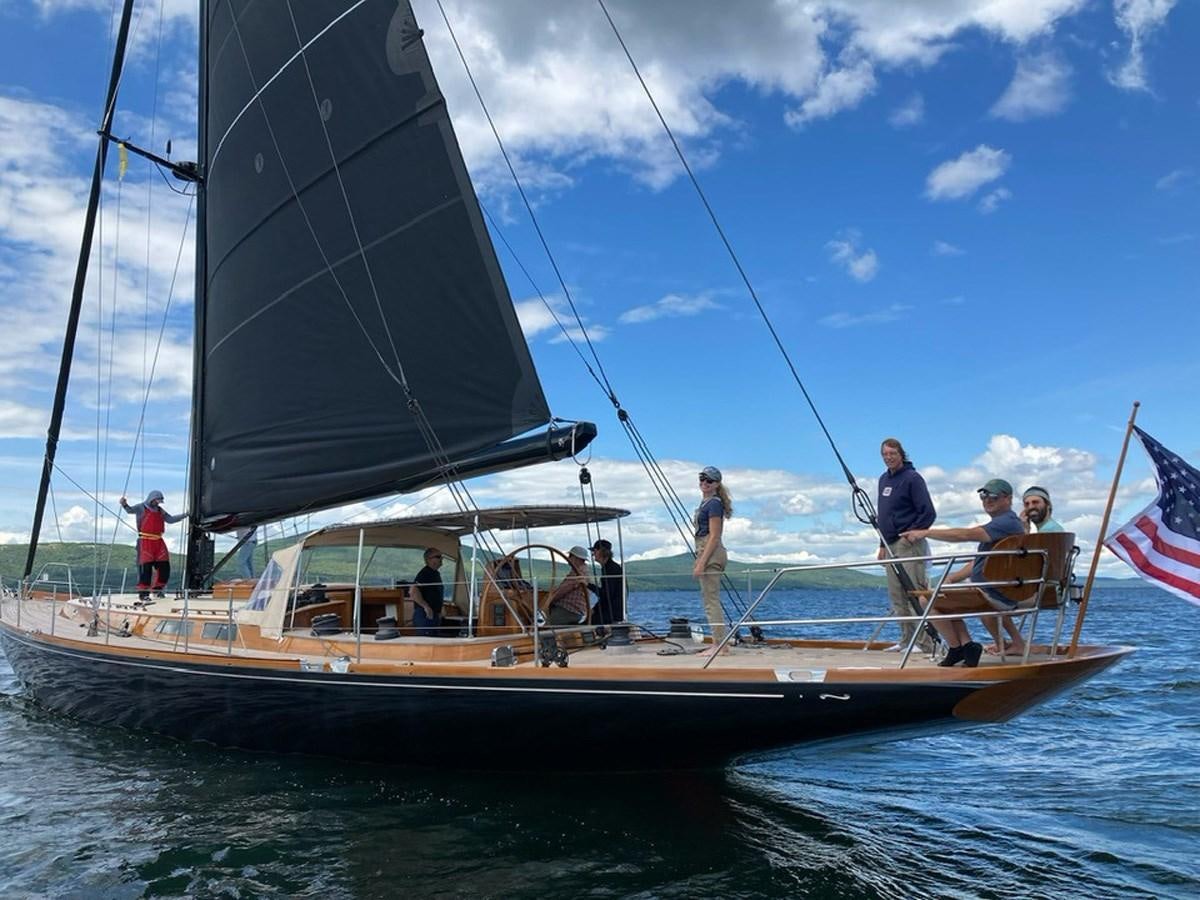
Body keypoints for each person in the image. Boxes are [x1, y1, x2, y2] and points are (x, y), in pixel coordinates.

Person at [901, 478, 1025, 666]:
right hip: (994, 588)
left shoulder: (1006, 523)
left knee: (927, 600)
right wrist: (952, 577)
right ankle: (966, 645)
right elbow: (980, 561)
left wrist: (925, 533)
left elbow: (965, 535)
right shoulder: (1006, 525)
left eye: (993, 496)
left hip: (993, 592)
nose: (987, 500)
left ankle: (957, 648)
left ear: (1007, 499)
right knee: (945, 600)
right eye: (984, 496)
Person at [875, 437, 937, 652]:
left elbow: (928, 511)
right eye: (885, 454)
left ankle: (924, 642)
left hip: (908, 542)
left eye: (892, 454)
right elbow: (882, 515)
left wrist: (916, 532)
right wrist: (881, 544)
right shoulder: (883, 480)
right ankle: (906, 640)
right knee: (897, 595)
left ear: (901, 454)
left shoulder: (913, 479)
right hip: (889, 542)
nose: (888, 458)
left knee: (913, 592)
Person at [119, 490, 185, 601]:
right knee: (145, 568)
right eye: (157, 500)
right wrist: (124, 504)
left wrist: (184, 515)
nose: (158, 503)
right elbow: (130, 510)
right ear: (152, 498)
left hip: (158, 541)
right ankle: (143, 594)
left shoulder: (160, 510)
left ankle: (158, 590)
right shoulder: (141, 507)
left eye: (160, 501)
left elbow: (170, 519)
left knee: (164, 567)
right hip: (145, 541)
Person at [693, 465, 732, 652]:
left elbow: (714, 535)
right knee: (709, 599)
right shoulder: (706, 503)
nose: (704, 483)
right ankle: (719, 643)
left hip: (711, 551)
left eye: (709, 480)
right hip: (706, 550)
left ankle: (719, 645)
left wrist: (701, 562)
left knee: (711, 600)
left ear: (716, 484)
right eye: (702, 479)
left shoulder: (714, 504)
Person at [545, 546, 592, 626]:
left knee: (544, 624)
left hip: (569, 609)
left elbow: (563, 590)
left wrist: (549, 600)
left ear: (576, 558)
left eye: (570, 556)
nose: (568, 558)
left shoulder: (578, 573)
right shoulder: (582, 570)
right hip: (575, 609)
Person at [409, 547, 445, 637]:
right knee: (426, 641)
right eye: (438, 556)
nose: (441, 559)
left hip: (433, 615)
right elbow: (413, 591)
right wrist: (426, 607)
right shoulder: (425, 573)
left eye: (441, 557)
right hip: (425, 615)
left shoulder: (435, 574)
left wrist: (440, 609)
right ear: (428, 559)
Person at [589, 538, 624, 625]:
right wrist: (595, 609)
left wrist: (588, 585)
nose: (593, 554)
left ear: (601, 551)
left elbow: (606, 595)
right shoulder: (610, 567)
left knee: (587, 624)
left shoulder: (611, 569)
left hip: (612, 613)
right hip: (613, 610)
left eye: (595, 551)